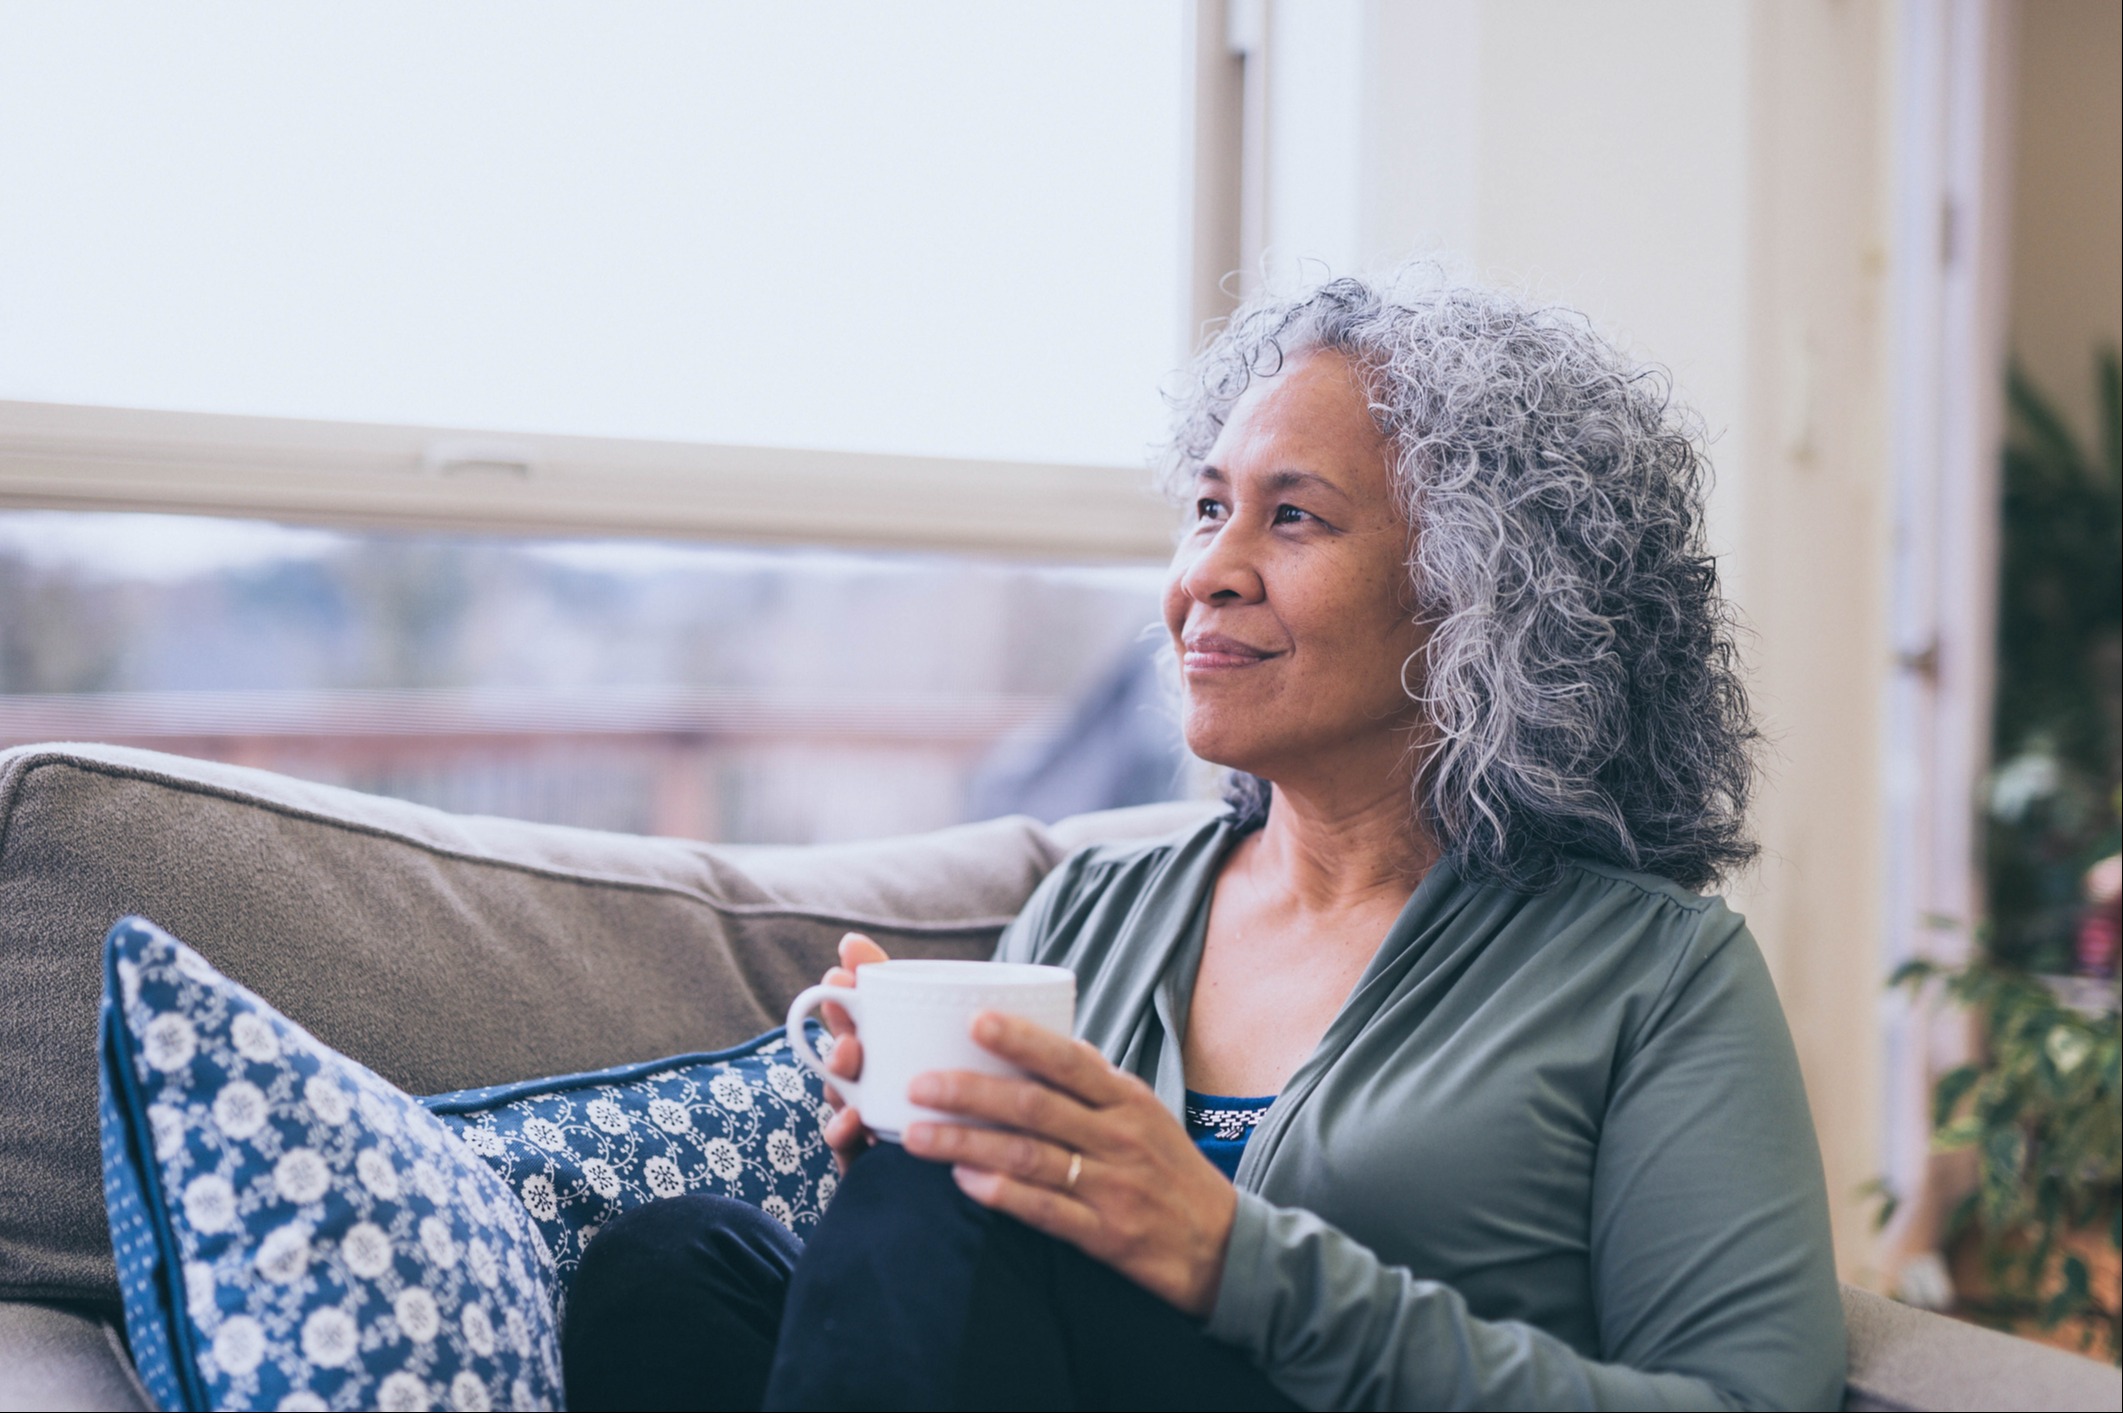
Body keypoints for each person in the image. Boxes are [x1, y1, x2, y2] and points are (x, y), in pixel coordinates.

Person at [562, 268, 1847, 1411]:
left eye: (1293, 518)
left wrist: (1236, 1262)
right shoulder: (1092, 908)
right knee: (674, 1270)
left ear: (1479, 597)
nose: (1207, 573)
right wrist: (904, 1159)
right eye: (1206, 508)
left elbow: (1748, 1397)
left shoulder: (1652, 976)